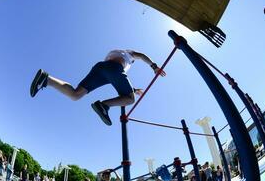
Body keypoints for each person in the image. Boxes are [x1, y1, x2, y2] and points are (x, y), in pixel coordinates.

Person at [30, 50, 166, 125]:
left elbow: (116, 79)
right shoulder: (129, 55)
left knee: (76, 95)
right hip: (113, 69)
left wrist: (134, 89)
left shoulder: (115, 54)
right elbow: (141, 55)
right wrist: (154, 66)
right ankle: (103, 105)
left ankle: (47, 79)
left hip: (101, 70)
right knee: (130, 99)